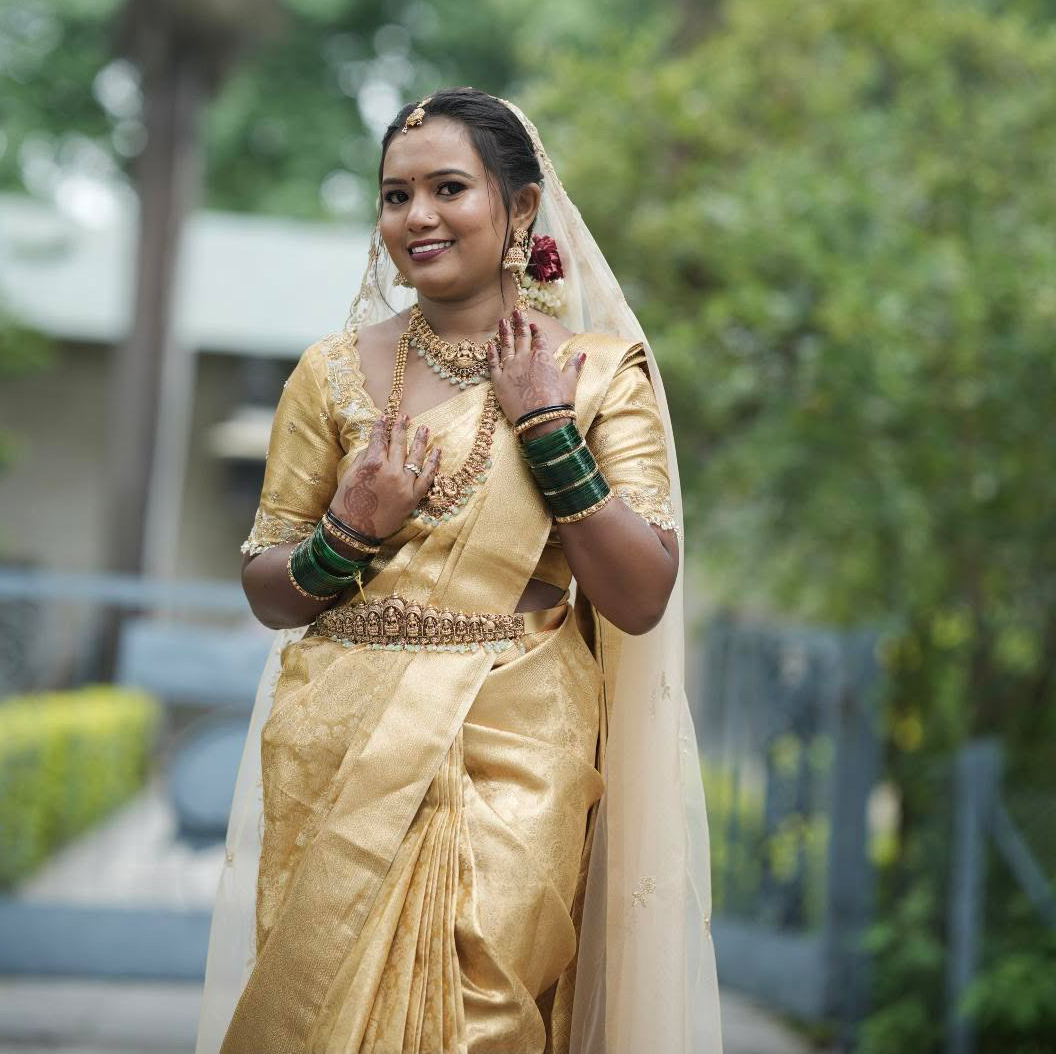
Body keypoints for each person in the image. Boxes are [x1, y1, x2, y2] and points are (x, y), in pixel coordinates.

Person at [195, 89, 721, 1054]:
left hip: (517, 735)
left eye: (448, 188)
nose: (418, 216)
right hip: (337, 734)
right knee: (324, 1011)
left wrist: (547, 429)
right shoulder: (330, 374)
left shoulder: (599, 374)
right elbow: (269, 589)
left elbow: (642, 593)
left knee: (486, 1015)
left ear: (521, 209)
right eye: (396, 196)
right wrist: (351, 530)